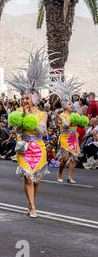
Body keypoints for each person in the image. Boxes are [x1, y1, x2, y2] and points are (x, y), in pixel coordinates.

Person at [8, 49, 50, 218]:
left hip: (39, 148)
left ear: (34, 99)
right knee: (27, 178)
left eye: (27, 98)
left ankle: (31, 200)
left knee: (37, 180)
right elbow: (16, 130)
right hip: (24, 148)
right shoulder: (18, 111)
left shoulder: (43, 114)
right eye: (23, 98)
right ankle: (32, 206)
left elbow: (42, 131)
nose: (24, 101)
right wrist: (21, 118)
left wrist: (32, 119)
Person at [49, 77, 83, 183]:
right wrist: (64, 121)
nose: (71, 105)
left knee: (73, 159)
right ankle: (60, 174)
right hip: (64, 138)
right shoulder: (61, 115)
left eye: (71, 104)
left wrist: (81, 118)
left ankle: (70, 177)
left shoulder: (74, 115)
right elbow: (64, 125)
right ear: (64, 106)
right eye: (69, 104)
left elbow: (80, 124)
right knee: (65, 158)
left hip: (73, 138)